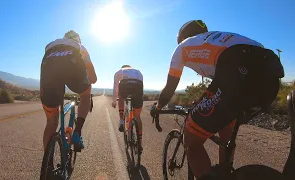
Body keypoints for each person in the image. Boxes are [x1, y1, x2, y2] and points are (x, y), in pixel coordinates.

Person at [150, 20, 284, 179]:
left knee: (192, 143)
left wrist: (158, 107)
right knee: (225, 123)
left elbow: (170, 86)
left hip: (236, 71)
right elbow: (221, 82)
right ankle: (224, 171)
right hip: (270, 74)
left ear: (182, 37)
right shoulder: (218, 38)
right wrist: (202, 100)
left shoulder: (182, 47)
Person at [40, 30, 97, 152]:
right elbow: (93, 77)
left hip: (48, 68)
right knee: (86, 96)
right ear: (78, 40)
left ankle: (47, 162)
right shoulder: (80, 47)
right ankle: (77, 132)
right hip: (73, 67)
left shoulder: (52, 45)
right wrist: (89, 81)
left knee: (51, 121)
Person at [112, 65, 144, 152]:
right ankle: (140, 143)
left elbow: (115, 88)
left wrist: (114, 101)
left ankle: (122, 120)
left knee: (121, 96)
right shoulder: (138, 71)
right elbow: (141, 88)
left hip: (125, 85)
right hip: (138, 87)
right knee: (137, 117)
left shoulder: (120, 71)